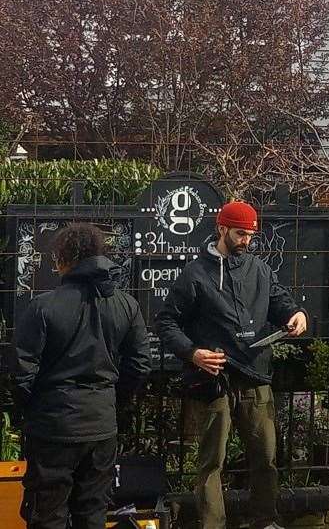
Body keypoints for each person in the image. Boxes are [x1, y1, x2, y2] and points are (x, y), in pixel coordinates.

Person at [156, 200, 307, 529]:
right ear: (221, 228)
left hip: (255, 374)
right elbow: (166, 322)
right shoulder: (195, 274)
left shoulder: (259, 269)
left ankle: (265, 521)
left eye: (250, 236)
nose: (246, 241)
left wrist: (295, 314)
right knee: (212, 462)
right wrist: (193, 353)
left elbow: (279, 298)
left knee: (266, 457)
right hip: (216, 377)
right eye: (240, 234)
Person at [14, 223, 151, 529]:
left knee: (47, 513)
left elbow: (21, 371)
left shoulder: (43, 307)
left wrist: (35, 409)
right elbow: (140, 364)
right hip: (101, 423)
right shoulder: (125, 304)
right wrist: (114, 402)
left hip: (53, 426)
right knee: (92, 512)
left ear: (64, 258)